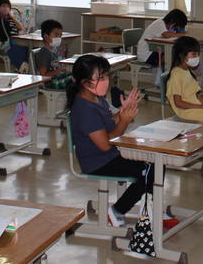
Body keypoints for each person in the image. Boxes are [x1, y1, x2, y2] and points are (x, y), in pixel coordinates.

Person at [68, 55, 177, 229]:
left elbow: (108, 123)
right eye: (101, 77)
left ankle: (151, 208)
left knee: (156, 162)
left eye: (106, 75)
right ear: (85, 82)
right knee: (149, 170)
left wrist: (122, 111)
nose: (106, 80)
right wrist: (124, 121)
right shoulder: (84, 109)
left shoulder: (96, 98)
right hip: (98, 162)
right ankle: (118, 210)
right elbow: (105, 145)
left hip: (112, 155)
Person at [0, 0, 29, 73]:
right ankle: (22, 67)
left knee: (30, 47)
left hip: (18, 41)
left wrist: (12, 17)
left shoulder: (11, 19)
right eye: (3, 6)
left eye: (7, 6)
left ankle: (24, 67)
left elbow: (20, 28)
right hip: (8, 43)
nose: (6, 8)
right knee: (15, 44)